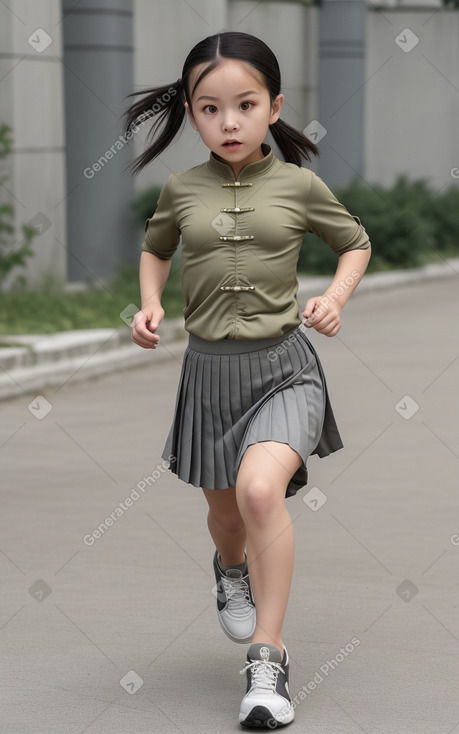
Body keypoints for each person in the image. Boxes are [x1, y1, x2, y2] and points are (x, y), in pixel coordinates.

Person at [124, 31, 371, 729]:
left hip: (283, 371)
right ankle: (228, 569)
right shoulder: (180, 190)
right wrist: (148, 303)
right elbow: (154, 248)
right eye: (209, 108)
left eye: (244, 105)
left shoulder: (298, 185)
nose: (227, 122)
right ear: (192, 115)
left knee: (261, 492)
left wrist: (334, 298)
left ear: (273, 107)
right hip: (208, 376)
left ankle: (268, 658)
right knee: (226, 515)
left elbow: (353, 241)